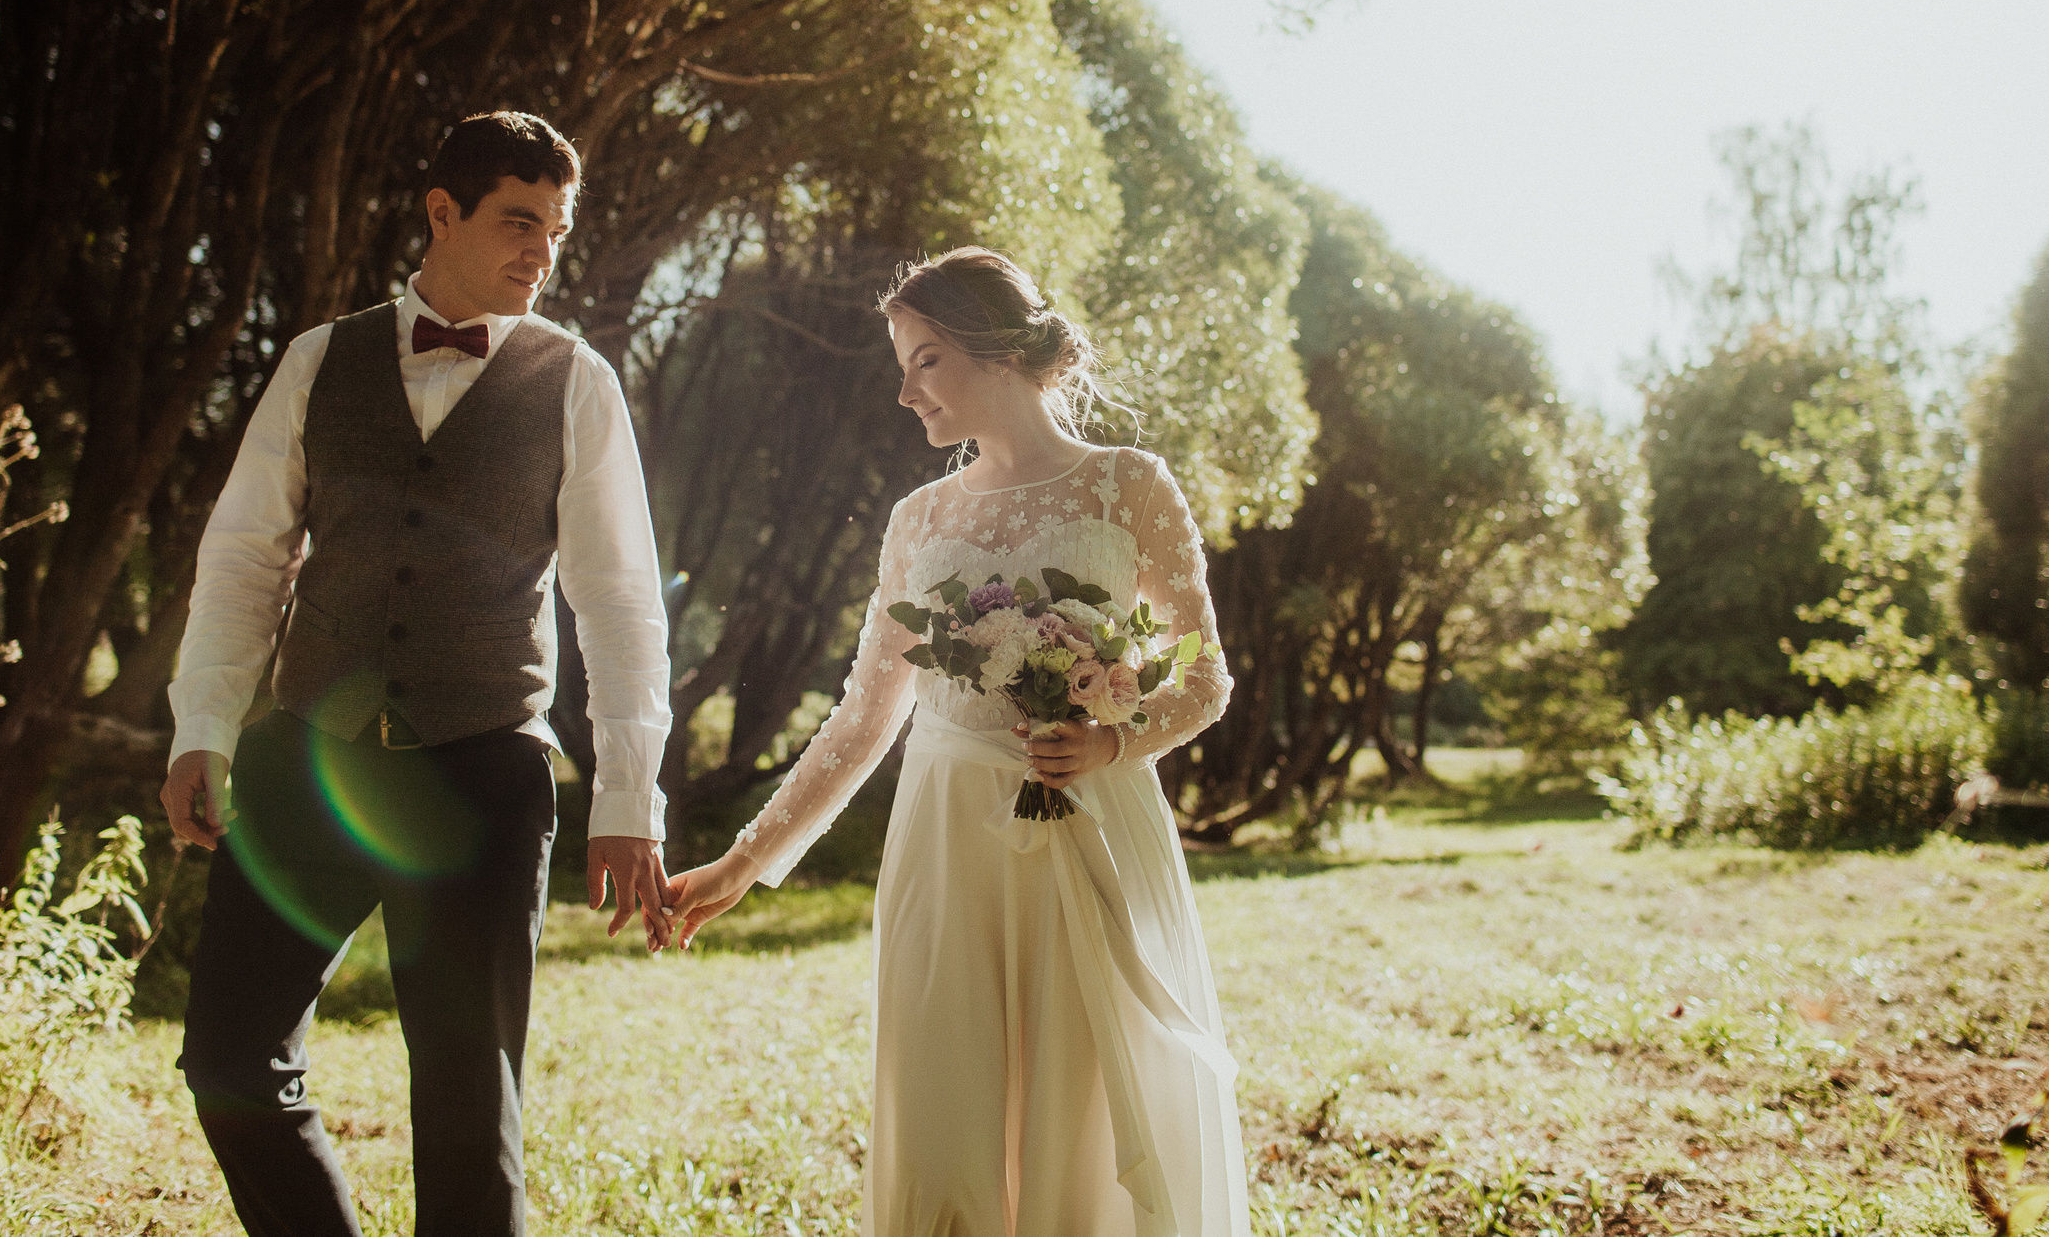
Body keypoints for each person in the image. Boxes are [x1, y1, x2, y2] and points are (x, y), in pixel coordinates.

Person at [158, 110, 675, 1237]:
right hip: (306, 761)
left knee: (463, 1109)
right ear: (442, 213)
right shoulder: (316, 359)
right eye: (518, 220)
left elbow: (620, 600)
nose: (543, 249)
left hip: (483, 771)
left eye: (558, 227)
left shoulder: (575, 381)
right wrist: (202, 724)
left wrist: (629, 797)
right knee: (227, 1063)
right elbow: (246, 557)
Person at [666, 246, 1249, 1237]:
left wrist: (1113, 743)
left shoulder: (1128, 487)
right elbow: (862, 720)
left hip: (1088, 832)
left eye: (924, 359)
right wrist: (745, 859)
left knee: (1087, 1111)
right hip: (944, 847)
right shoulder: (918, 518)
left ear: (997, 354)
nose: (903, 391)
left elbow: (1201, 676)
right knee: (948, 1111)